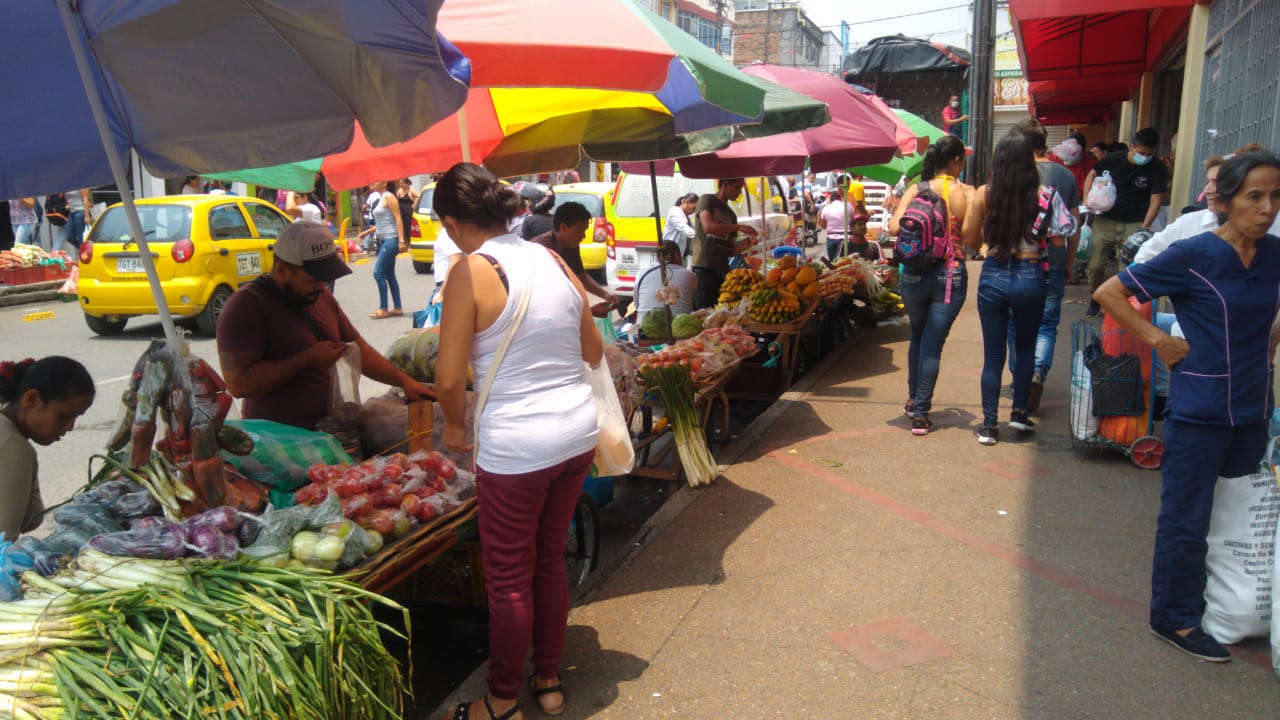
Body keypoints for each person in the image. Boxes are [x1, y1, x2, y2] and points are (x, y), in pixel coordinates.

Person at [1092, 151, 1280, 663]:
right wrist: (1159, 338)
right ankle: (1174, 617)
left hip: (1253, 409)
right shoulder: (1192, 254)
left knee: (1238, 518)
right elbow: (1110, 292)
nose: (1267, 209)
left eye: (1275, 197)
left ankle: (1230, 607)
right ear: (1225, 200)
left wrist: (1270, 344)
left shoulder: (1275, 255)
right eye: (1254, 196)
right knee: (1186, 517)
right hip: (1199, 409)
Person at [432, 163, 603, 720]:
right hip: (576, 433)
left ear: (455, 222)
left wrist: (456, 428)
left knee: (507, 578)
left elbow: (449, 379)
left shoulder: (468, 271)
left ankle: (502, 699)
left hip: (518, 448)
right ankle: (548, 681)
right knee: (548, 559)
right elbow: (594, 350)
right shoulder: (550, 256)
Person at [216, 221, 431, 431]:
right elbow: (238, 383)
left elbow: (358, 348)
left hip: (331, 432)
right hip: (280, 442)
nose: (321, 287)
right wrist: (306, 358)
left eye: (324, 279)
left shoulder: (321, 296)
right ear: (282, 270)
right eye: (312, 280)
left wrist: (405, 381)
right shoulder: (244, 307)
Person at [961, 133, 1075, 446]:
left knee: (993, 354)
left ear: (998, 162)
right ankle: (1019, 414)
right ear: (1029, 162)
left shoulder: (985, 194)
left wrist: (986, 247)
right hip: (1031, 273)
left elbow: (969, 235)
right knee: (1025, 348)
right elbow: (1058, 238)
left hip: (994, 273)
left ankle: (988, 425)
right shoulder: (1045, 194)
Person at [889, 135, 971, 436]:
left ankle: (913, 401)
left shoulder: (916, 189)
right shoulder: (965, 192)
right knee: (932, 346)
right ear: (956, 161)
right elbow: (975, 236)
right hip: (948, 275)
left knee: (917, 336)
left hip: (912, 272)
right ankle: (921, 414)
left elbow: (894, 227)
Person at [1008, 119, 1082, 412]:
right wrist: (1070, 262)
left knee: (1015, 323)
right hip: (1054, 257)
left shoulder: (1014, 173)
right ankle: (1037, 370)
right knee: (1047, 323)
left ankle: (1020, 380)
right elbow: (1073, 225)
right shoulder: (1064, 175)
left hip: (1020, 260)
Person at [1, 357, 95, 537]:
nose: (70, 427)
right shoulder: (12, 445)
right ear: (32, 399)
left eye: (76, 417)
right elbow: (2, 542)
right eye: (63, 415)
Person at [1083, 128, 1168, 316]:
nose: (1145, 157)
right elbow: (1091, 175)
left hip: (1134, 222)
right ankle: (1097, 296)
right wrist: (1086, 201)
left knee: (1128, 268)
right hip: (1105, 220)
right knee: (1095, 264)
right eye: (1141, 153)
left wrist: (1144, 228)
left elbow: (1156, 199)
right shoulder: (1112, 160)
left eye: (1149, 154)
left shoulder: (1157, 168)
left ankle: (1118, 306)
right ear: (1131, 147)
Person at [529, 202, 623, 315]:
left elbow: (581, 277)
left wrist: (606, 295)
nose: (583, 236)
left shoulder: (571, 246)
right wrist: (589, 312)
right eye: (580, 231)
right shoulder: (539, 250)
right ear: (563, 227)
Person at [690, 178, 759, 310]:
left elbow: (730, 250)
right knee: (704, 314)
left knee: (720, 316)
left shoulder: (731, 215)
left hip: (723, 272)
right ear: (726, 184)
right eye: (737, 188)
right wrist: (737, 227)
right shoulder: (707, 200)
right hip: (704, 269)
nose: (739, 193)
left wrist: (745, 245)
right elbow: (708, 227)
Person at [357, 180, 407, 319]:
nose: (372, 182)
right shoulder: (380, 198)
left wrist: (401, 241)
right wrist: (366, 233)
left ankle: (383, 308)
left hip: (391, 240)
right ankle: (397, 308)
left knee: (378, 273)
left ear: (384, 183)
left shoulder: (389, 197)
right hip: (384, 240)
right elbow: (382, 223)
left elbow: (398, 219)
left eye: (376, 180)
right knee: (389, 274)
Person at [634, 240, 697, 318]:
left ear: (657, 257)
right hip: (677, 328)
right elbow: (695, 305)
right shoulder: (691, 276)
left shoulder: (641, 274)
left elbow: (637, 307)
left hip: (643, 327)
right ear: (677, 255)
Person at [819, 176, 858, 261]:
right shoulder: (830, 200)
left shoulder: (850, 197)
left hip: (841, 237)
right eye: (844, 185)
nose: (846, 188)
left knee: (841, 263)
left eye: (848, 185)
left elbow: (854, 219)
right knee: (842, 263)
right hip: (844, 237)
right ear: (838, 185)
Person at [662, 193, 698, 257]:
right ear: (687, 202)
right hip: (670, 255)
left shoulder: (688, 217)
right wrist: (700, 235)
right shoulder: (674, 212)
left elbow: (694, 230)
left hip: (681, 255)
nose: (694, 211)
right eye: (694, 208)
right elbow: (684, 229)